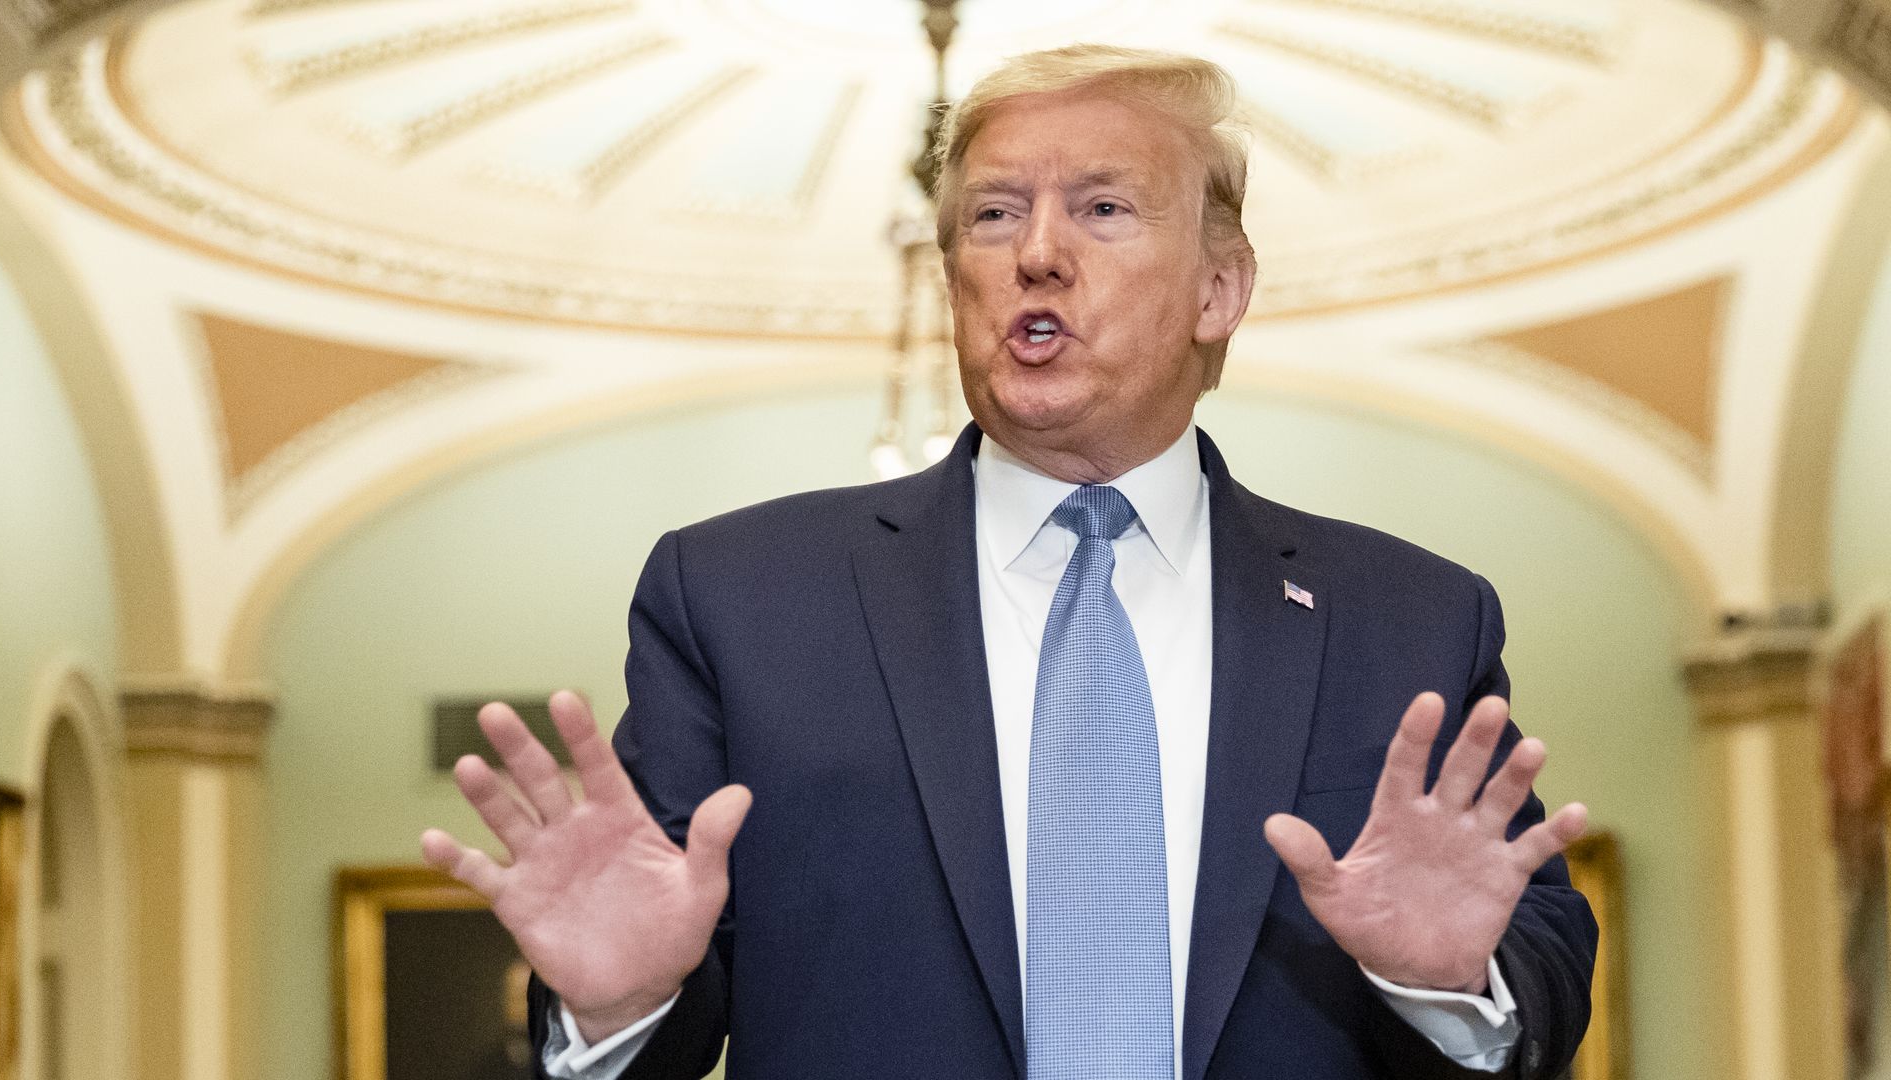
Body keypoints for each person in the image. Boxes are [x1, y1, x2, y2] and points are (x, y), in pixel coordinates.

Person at [421, 44, 1597, 1080]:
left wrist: (1448, 988)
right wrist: (619, 1004)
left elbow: (1536, 974)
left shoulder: (1408, 616)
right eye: (992, 215)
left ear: (1219, 288)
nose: (1036, 253)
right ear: (953, 284)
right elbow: (659, 979)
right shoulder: (737, 600)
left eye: (1102, 208)